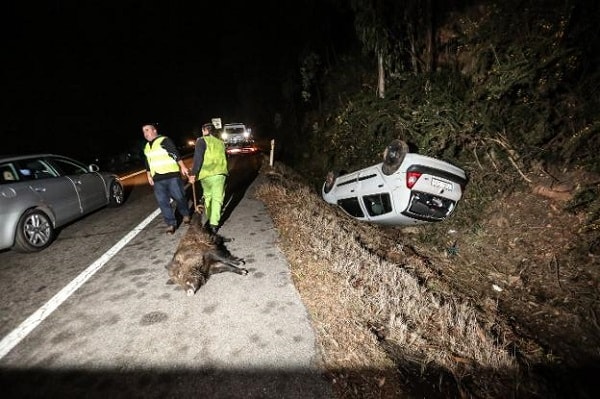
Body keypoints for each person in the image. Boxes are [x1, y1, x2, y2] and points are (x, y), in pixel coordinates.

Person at [142, 123, 192, 234]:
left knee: (179, 197)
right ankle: (170, 224)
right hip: (157, 178)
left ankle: (185, 214)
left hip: (172, 175)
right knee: (162, 202)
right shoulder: (146, 146)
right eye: (144, 132)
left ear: (154, 130)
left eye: (147, 130)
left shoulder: (164, 140)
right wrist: (149, 174)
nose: (146, 133)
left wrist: (182, 166)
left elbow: (175, 153)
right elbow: (147, 162)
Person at [188, 122, 228, 235]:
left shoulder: (201, 140)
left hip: (206, 175)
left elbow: (198, 158)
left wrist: (193, 173)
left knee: (208, 197)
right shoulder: (221, 142)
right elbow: (226, 157)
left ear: (204, 130)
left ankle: (211, 220)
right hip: (220, 174)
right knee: (217, 199)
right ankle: (213, 224)